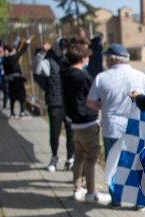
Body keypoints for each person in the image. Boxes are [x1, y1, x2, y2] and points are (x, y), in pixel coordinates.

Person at [86, 43, 145, 208]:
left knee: (113, 163)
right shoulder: (140, 76)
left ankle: (116, 199)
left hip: (112, 126)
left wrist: (104, 106)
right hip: (136, 127)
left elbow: (90, 102)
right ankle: (139, 200)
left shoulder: (102, 77)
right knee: (137, 162)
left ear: (112, 58)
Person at [61, 43, 110, 205]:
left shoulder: (65, 74)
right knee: (91, 158)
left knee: (79, 156)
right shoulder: (84, 77)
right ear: (83, 58)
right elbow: (96, 95)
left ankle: (77, 188)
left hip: (74, 123)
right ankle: (91, 192)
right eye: (87, 57)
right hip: (88, 123)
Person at [32, 38, 75, 172]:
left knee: (71, 133)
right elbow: (36, 68)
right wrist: (41, 53)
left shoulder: (71, 63)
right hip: (55, 103)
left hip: (70, 103)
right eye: (62, 47)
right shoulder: (49, 63)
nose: (64, 50)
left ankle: (70, 159)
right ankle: (55, 157)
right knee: (55, 133)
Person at [2, 36, 33, 118]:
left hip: (9, 79)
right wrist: (28, 42)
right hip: (17, 79)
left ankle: (12, 113)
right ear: (13, 50)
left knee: (12, 96)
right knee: (22, 96)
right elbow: (23, 50)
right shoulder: (15, 57)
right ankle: (22, 113)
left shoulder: (5, 59)